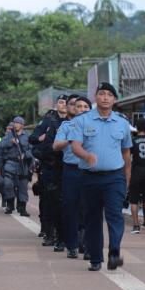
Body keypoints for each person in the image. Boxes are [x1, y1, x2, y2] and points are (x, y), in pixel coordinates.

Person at [69, 82, 132, 271]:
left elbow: (126, 153)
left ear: (114, 99)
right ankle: (96, 258)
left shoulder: (122, 123)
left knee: (115, 215)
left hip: (114, 178)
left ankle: (114, 252)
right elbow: (75, 146)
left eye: (109, 95)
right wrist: (86, 156)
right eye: (102, 94)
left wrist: (127, 178)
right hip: (89, 177)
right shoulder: (83, 120)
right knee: (92, 218)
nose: (105, 97)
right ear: (96, 97)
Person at [53, 95, 91, 259]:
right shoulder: (67, 126)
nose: (82, 109)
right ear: (74, 109)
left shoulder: (97, 127)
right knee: (70, 208)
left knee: (89, 208)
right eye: (78, 106)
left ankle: (87, 244)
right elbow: (55, 145)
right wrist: (70, 139)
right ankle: (72, 245)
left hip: (90, 170)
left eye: (85, 107)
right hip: (71, 170)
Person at [30, 95, 68, 249]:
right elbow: (33, 139)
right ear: (56, 105)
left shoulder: (74, 121)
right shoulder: (48, 121)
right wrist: (43, 138)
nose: (64, 105)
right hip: (49, 166)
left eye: (66, 102)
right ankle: (49, 232)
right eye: (60, 102)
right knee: (48, 201)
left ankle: (65, 234)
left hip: (67, 167)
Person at [0, 117, 33, 216]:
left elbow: (33, 150)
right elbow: (0, 147)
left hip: (23, 165)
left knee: (23, 187)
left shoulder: (27, 136)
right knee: (7, 184)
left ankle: (22, 208)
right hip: (10, 164)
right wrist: (10, 142)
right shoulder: (8, 136)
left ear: (22, 125)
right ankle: (10, 204)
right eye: (14, 122)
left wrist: (25, 155)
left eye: (18, 123)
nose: (15, 124)